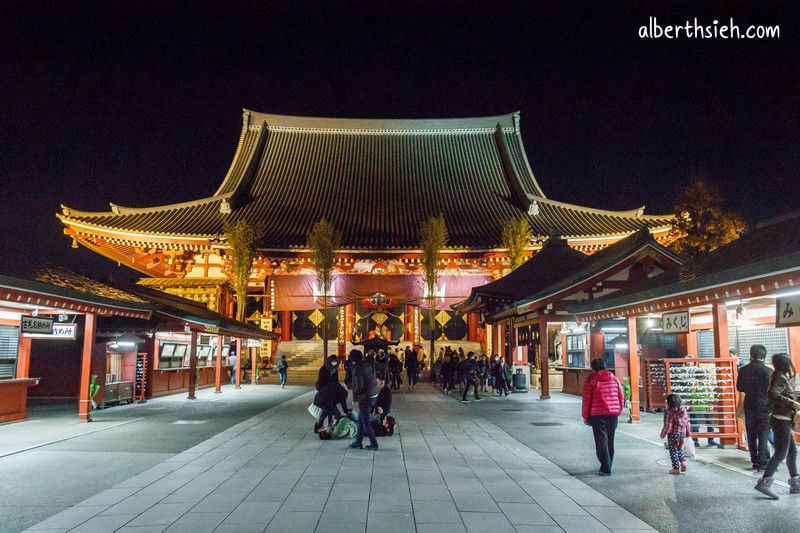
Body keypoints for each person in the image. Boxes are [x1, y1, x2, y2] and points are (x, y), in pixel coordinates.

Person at [754, 353, 800, 499]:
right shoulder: (779, 378)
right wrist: (793, 403)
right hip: (781, 419)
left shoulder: (780, 376)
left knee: (792, 451)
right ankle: (764, 482)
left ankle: (795, 482)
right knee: (781, 452)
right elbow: (774, 394)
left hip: (783, 418)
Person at [582, 358, 625, 476]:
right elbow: (621, 396)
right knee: (610, 441)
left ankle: (605, 468)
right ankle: (608, 465)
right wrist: (619, 410)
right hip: (613, 415)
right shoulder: (614, 379)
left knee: (601, 442)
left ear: (593, 368)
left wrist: (585, 416)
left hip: (598, 415)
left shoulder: (591, 379)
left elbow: (586, 399)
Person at [737, 344, 772, 470]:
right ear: (764, 355)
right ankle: (762, 461)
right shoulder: (769, 372)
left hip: (749, 405)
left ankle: (754, 459)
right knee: (763, 434)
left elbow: (740, 388)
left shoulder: (743, 370)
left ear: (751, 354)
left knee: (751, 434)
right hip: (764, 407)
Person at [349, 349, 379, 450]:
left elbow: (359, 385)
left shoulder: (358, 368)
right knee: (361, 419)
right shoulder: (367, 363)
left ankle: (374, 444)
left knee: (365, 421)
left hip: (365, 396)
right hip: (373, 394)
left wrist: (355, 397)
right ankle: (358, 441)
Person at [660, 393, 691, 475]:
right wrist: (688, 433)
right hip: (682, 435)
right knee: (679, 449)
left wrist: (663, 434)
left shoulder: (669, 411)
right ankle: (683, 462)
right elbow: (687, 422)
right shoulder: (683, 410)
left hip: (673, 435)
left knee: (673, 451)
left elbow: (668, 425)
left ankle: (676, 468)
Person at [689, 366, 719, 448]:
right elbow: (693, 395)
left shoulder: (707, 383)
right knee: (696, 425)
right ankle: (695, 441)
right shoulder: (693, 384)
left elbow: (711, 394)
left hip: (707, 407)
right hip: (698, 407)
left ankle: (710, 440)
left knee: (709, 424)